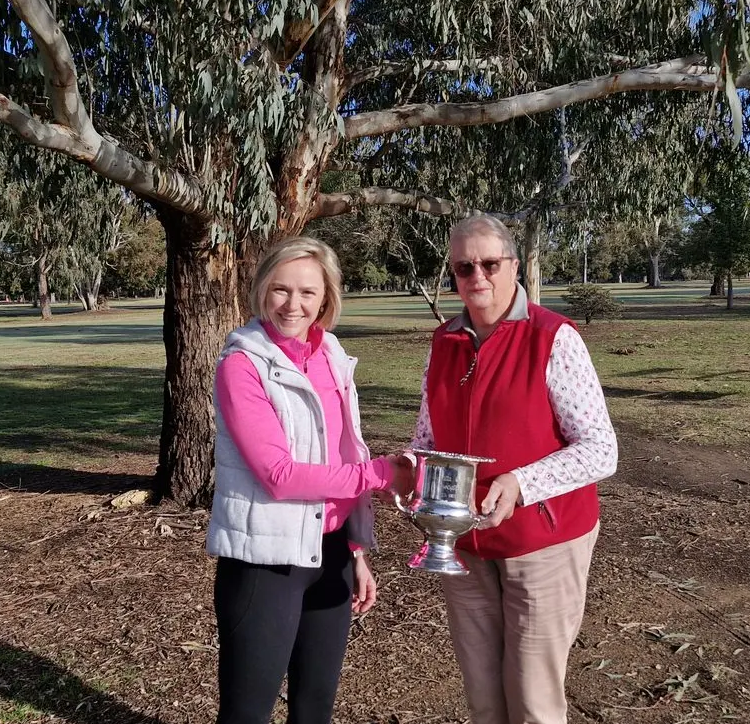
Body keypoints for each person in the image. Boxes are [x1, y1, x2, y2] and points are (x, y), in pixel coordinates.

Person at [412, 214, 619, 724]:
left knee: (533, 700)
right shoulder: (444, 343)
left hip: (542, 542)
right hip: (465, 547)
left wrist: (522, 483)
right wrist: (406, 470)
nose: (476, 276)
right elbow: (426, 439)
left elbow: (600, 448)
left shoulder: (553, 338)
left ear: (515, 265)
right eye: (463, 267)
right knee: (484, 699)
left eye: (489, 263)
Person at [207, 235, 412, 724]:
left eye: (307, 293)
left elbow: (341, 451)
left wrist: (356, 551)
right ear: (261, 291)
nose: (292, 305)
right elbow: (279, 476)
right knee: (246, 713)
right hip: (266, 562)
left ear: (326, 299)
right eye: (280, 290)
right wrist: (385, 474)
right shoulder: (242, 365)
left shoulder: (331, 355)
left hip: (332, 552)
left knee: (315, 706)